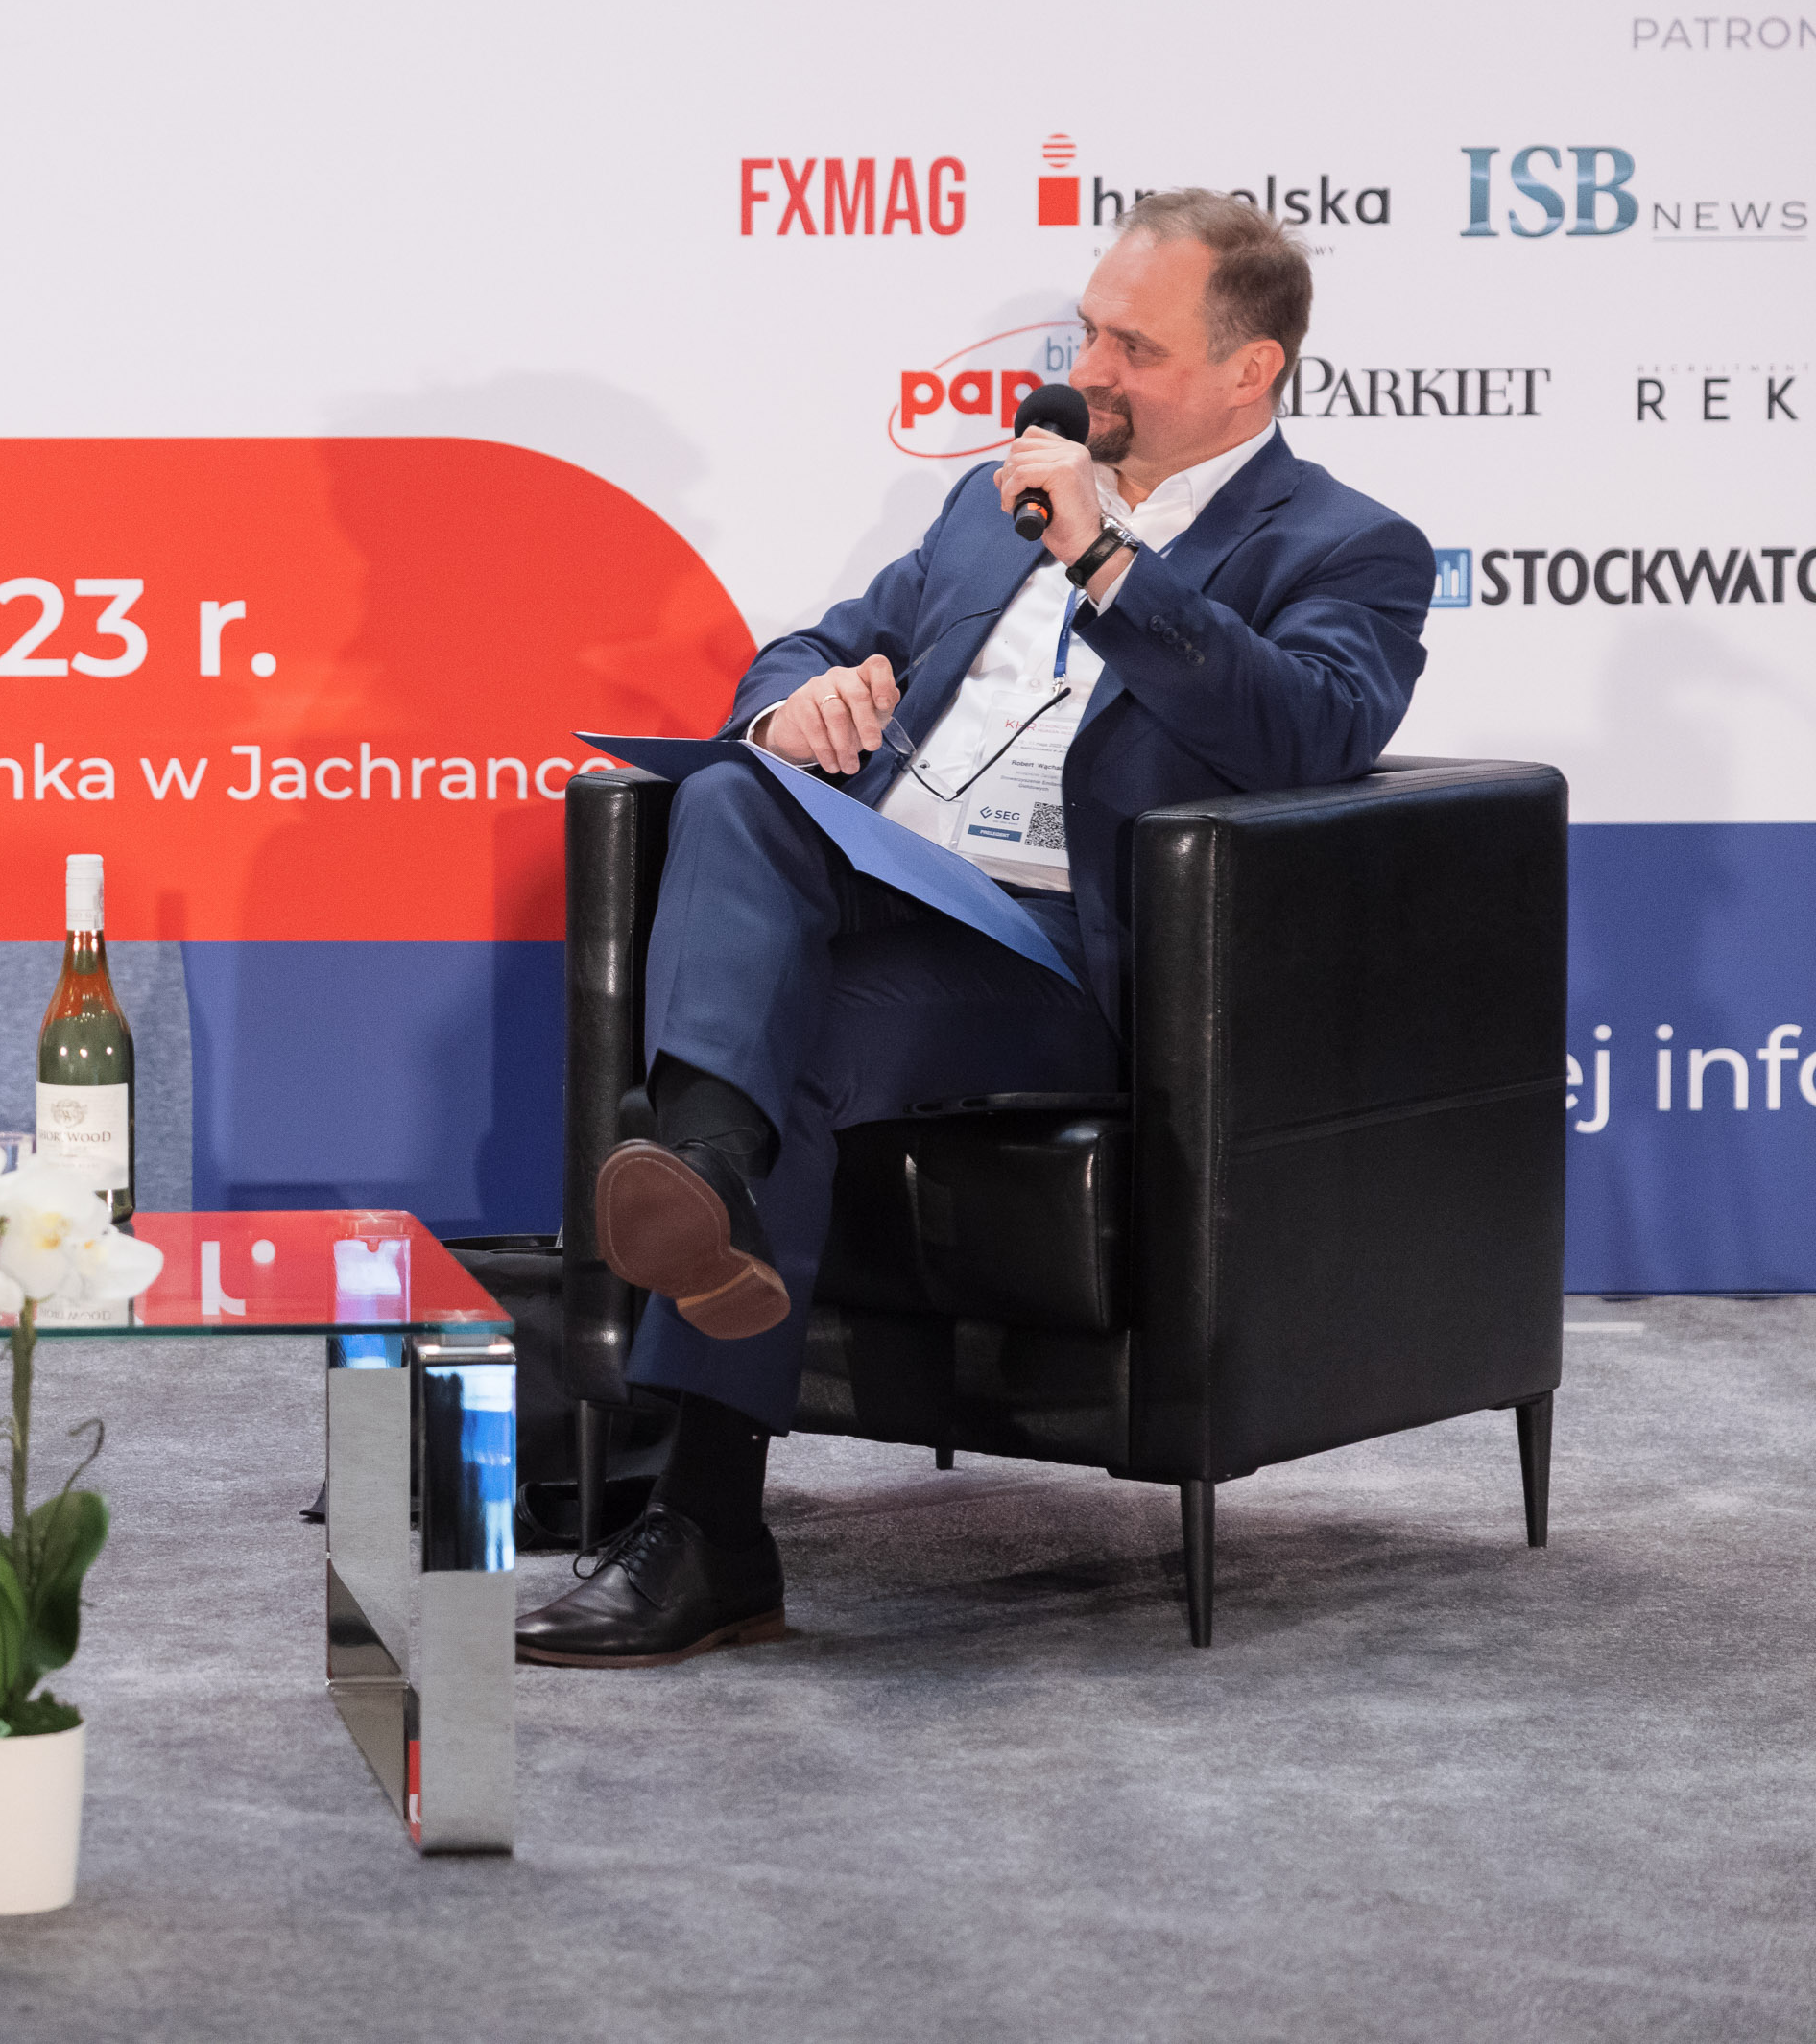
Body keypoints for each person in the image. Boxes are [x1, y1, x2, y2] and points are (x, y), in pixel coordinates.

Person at [517, 190, 1432, 1667]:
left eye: (1135, 347)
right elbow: (820, 641)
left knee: (785, 1033)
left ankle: (707, 1513)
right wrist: (797, 703)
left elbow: (1310, 730)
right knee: (738, 791)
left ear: (1250, 369)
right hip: (889, 881)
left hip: (1070, 957)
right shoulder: (981, 505)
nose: (1089, 372)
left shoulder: (1345, 546)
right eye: (1088, 330)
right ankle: (714, 1189)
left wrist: (1110, 562)